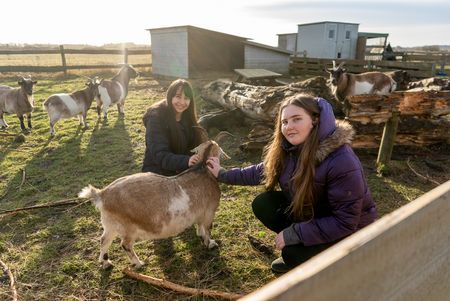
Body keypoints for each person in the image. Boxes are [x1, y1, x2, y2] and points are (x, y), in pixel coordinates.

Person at [207, 94, 377, 273]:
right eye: (285, 122)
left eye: (296, 119)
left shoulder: (341, 160)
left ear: (315, 120)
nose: (289, 127)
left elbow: (346, 221)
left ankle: (335, 264)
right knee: (264, 203)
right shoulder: (290, 150)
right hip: (316, 215)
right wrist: (222, 174)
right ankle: (306, 251)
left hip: (351, 234)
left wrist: (295, 234)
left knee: (292, 253)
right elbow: (259, 172)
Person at [142, 79, 205, 175]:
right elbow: (160, 154)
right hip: (157, 173)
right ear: (170, 96)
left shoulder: (188, 117)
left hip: (182, 171)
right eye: (178, 96)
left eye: (186, 98)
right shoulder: (156, 118)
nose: (182, 102)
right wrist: (186, 161)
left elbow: (196, 145)